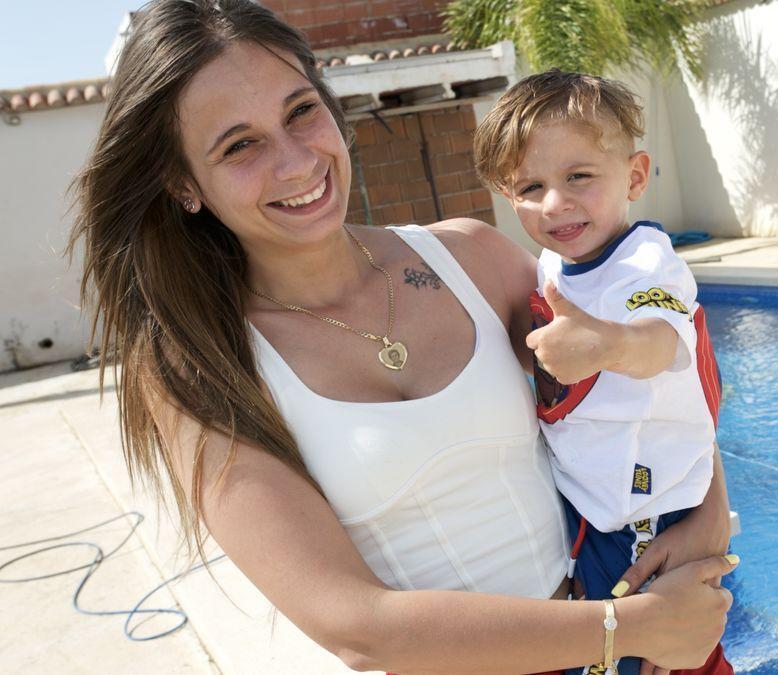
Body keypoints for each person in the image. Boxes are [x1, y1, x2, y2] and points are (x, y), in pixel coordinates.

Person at [68, 0, 736, 672]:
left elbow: (662, 366)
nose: (297, 161)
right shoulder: (202, 369)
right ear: (183, 182)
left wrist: (708, 508)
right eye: (240, 145)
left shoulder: (472, 259)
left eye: (301, 110)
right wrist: (626, 626)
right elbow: (356, 625)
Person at [474, 71, 732, 675]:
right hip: (593, 507)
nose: (554, 204)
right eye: (528, 187)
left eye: (578, 177)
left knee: (655, 654)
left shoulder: (646, 263)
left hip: (647, 515)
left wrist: (607, 343)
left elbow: (664, 344)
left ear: (635, 176)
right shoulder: (554, 263)